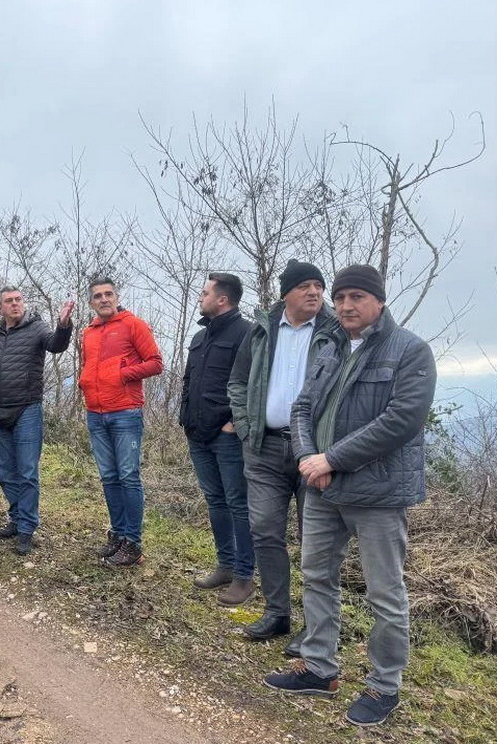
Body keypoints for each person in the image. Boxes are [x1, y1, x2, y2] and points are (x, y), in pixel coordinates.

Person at [264, 264, 436, 728]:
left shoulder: (409, 351)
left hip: (377, 493)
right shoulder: (330, 346)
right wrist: (308, 458)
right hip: (322, 487)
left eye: (356, 297)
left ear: (378, 300)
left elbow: (401, 421)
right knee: (317, 575)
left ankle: (385, 686)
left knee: (385, 593)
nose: (345, 306)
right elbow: (303, 406)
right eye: (340, 298)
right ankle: (320, 668)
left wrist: (331, 459)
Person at [228, 260, 337, 652]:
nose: (314, 293)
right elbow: (238, 381)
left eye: (319, 286)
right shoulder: (262, 330)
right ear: (286, 293)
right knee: (265, 530)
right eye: (306, 286)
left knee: (317, 541)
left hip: (315, 454)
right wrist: (245, 426)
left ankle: (315, 627)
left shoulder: (335, 332)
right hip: (265, 447)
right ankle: (277, 613)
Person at [179, 273, 254, 605]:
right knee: (216, 501)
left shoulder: (247, 334)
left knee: (239, 504)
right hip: (198, 433)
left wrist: (235, 424)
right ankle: (225, 565)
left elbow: (254, 384)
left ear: (222, 299)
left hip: (227, 436)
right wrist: (184, 418)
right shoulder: (200, 336)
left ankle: (244, 575)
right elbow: (188, 380)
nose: (200, 296)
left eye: (204, 292)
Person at [0, 287, 73, 555]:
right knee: (6, 473)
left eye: (18, 300)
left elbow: (56, 344)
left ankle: (26, 530)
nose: (14, 304)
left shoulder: (38, 328)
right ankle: (17, 518)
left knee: (27, 472)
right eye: (9, 301)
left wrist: (64, 325)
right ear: (1, 307)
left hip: (27, 410)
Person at [79, 277, 163, 567]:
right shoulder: (88, 332)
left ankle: (133, 543)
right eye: (97, 296)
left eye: (108, 294)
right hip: (95, 412)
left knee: (128, 476)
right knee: (109, 477)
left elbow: (155, 362)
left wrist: (122, 374)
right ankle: (117, 535)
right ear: (91, 302)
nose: (104, 299)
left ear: (116, 297)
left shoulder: (133, 325)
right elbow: (87, 366)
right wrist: (86, 383)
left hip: (125, 411)